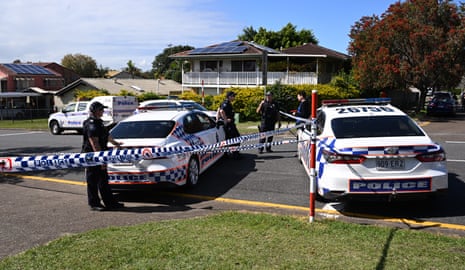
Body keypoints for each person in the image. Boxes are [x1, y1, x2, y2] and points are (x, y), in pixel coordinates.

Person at [82, 101, 125, 211]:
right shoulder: (91, 124)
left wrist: (116, 144)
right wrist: (101, 161)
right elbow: (94, 143)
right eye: (101, 110)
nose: (103, 111)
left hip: (101, 155)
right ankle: (94, 203)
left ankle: (110, 202)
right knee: (93, 181)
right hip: (92, 157)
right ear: (95, 111)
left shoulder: (99, 122)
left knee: (103, 180)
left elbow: (106, 135)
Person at [218, 91, 241, 159]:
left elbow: (218, 109)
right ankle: (235, 155)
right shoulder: (226, 103)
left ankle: (231, 153)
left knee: (232, 139)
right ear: (229, 96)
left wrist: (218, 118)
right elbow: (221, 111)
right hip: (229, 125)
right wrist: (225, 120)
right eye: (233, 96)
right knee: (235, 139)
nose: (234, 97)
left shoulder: (227, 103)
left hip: (231, 124)